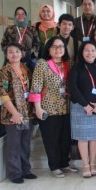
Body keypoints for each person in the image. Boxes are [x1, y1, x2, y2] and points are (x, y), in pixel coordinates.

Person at [29, 36, 77, 178]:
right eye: (54, 47)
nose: (58, 49)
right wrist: (38, 108)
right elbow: (36, 87)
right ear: (49, 49)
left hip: (65, 108)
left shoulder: (68, 64)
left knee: (65, 138)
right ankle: (54, 166)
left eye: (61, 46)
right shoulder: (42, 64)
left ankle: (64, 163)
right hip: (48, 109)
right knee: (52, 139)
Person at [0, 43, 36, 184]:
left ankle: (26, 170)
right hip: (11, 115)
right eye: (11, 52)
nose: (14, 54)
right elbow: (3, 95)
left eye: (17, 51)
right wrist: (14, 113)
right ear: (7, 55)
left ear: (22, 54)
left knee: (25, 143)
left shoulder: (26, 69)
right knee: (14, 145)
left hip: (27, 113)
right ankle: (15, 173)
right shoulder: (4, 72)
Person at [68, 41, 96, 178]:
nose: (90, 53)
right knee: (83, 138)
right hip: (80, 107)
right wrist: (85, 105)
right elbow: (73, 88)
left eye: (93, 50)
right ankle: (85, 165)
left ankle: (93, 164)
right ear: (82, 52)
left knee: (94, 137)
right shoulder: (76, 68)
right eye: (87, 50)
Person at [1, 7, 40, 71]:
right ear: (15, 16)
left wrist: (28, 52)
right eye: (18, 14)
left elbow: (37, 44)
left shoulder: (32, 30)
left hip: (28, 60)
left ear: (26, 16)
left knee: (28, 78)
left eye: (23, 14)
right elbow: (3, 44)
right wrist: (11, 53)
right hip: (12, 60)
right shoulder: (9, 29)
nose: (20, 16)